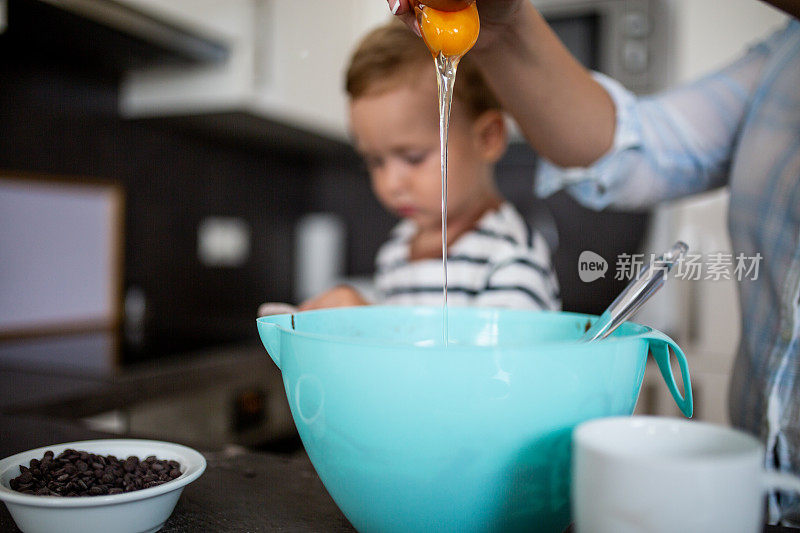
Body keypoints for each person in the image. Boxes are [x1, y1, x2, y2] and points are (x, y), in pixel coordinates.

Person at [390, 0, 800, 525]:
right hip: (758, 503)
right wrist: (505, 24)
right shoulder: (785, 57)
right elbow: (640, 147)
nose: (392, 180)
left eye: (409, 156)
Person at [287, 21, 561, 312]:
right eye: (375, 161)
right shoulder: (396, 250)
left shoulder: (509, 258)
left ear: (487, 138)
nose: (391, 183)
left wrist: (371, 325)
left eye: (413, 158)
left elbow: (495, 358)